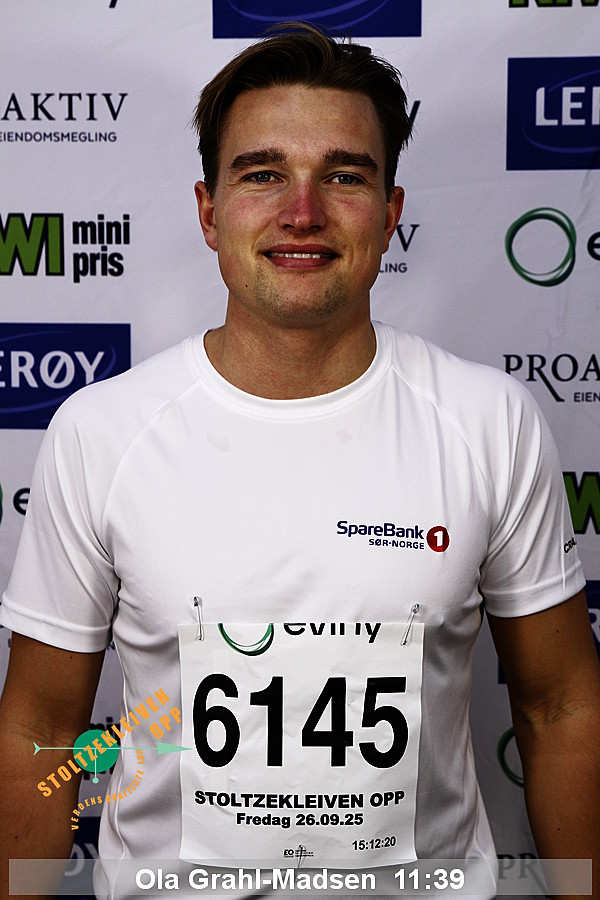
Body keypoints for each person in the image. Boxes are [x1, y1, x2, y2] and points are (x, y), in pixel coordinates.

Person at [1, 21, 599, 900]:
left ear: (390, 213)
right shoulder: (103, 432)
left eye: (345, 176)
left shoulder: (490, 421)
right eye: (263, 174)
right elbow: (43, 730)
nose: (303, 212)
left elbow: (559, 706)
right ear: (209, 212)